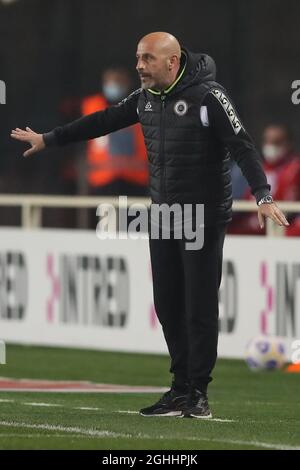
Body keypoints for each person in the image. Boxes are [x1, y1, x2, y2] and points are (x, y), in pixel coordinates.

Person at [11, 32, 289, 419]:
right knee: (167, 303)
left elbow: (242, 145)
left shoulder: (209, 96)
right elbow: (103, 121)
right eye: (137, 58)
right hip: (164, 214)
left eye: (146, 59)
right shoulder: (144, 99)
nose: (138, 66)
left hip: (204, 215)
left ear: (172, 62)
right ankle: (179, 389)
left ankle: (198, 393)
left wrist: (262, 194)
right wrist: (50, 138)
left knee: (199, 304)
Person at [229, 124, 300, 236]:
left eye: (276, 142)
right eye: (267, 141)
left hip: (277, 225)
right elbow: (247, 200)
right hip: (251, 222)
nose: (270, 146)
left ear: (288, 144)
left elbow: (288, 207)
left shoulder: (294, 168)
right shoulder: (259, 168)